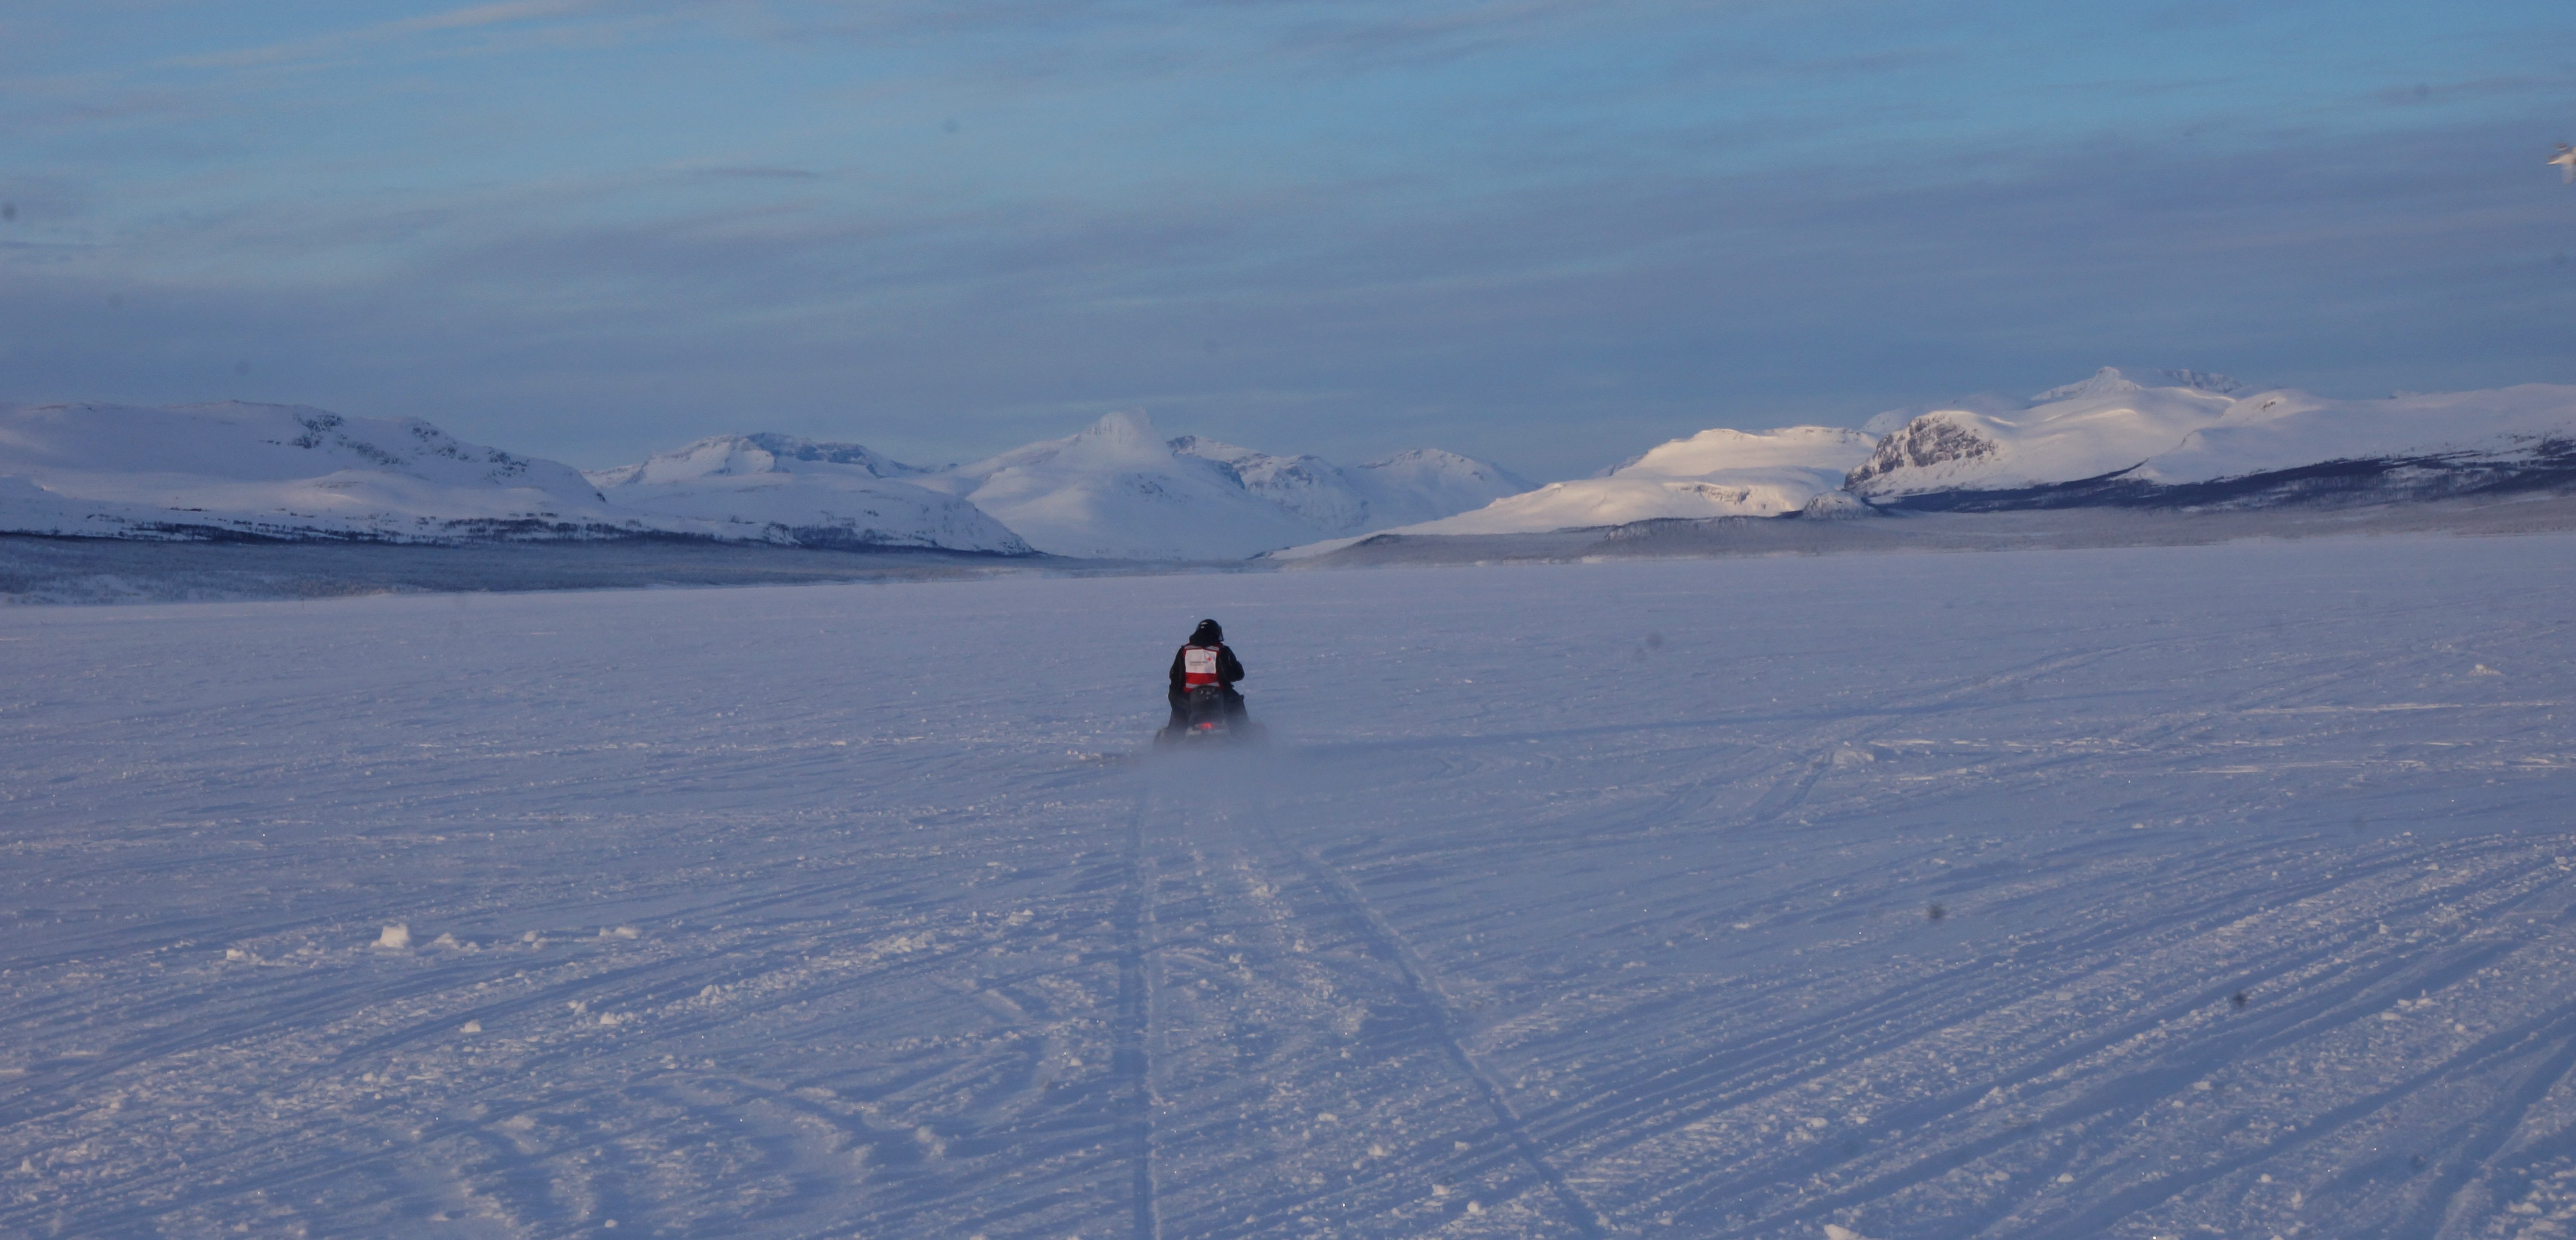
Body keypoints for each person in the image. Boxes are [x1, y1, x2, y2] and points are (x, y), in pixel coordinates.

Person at [1166, 618, 1246, 732]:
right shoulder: (1221, 651)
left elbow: (1175, 676)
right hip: (1219, 694)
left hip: (1189, 695)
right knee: (1236, 702)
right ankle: (1245, 734)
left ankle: (1173, 736)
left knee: (1178, 705)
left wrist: (1175, 693)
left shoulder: (1185, 651)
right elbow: (1235, 675)